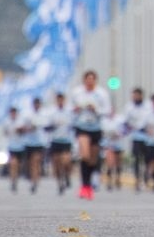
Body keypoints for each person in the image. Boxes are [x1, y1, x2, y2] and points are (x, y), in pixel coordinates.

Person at [70, 69, 112, 200]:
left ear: (95, 81)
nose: (89, 82)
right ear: (84, 80)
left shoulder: (102, 94)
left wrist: (96, 109)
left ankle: (89, 184)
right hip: (82, 126)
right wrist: (77, 109)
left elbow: (108, 110)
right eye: (87, 79)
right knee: (85, 155)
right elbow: (69, 109)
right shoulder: (77, 93)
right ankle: (84, 185)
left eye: (92, 79)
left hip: (96, 127)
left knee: (92, 159)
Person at [45, 92, 75, 195]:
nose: (60, 102)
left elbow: (74, 125)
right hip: (55, 140)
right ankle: (59, 183)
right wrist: (53, 126)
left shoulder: (70, 112)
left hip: (66, 140)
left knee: (66, 161)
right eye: (58, 100)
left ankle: (67, 175)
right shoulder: (51, 112)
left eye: (62, 100)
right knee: (57, 163)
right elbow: (46, 127)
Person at [3, 106, 27, 193]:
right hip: (12, 146)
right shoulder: (7, 122)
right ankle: (13, 181)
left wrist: (20, 130)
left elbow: (25, 130)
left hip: (20, 146)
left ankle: (16, 178)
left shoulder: (21, 121)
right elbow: (5, 132)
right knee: (13, 164)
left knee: (19, 166)